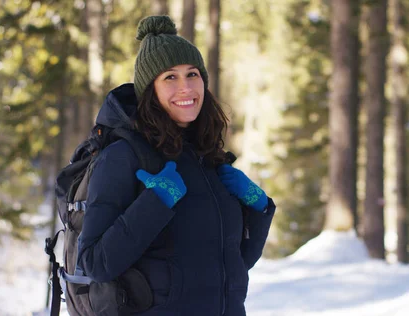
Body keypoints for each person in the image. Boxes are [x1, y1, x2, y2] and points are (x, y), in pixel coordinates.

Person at [76, 15, 276, 315]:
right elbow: (95, 263)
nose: (185, 88)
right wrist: (155, 202)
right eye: (170, 77)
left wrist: (260, 210)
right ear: (150, 90)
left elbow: (230, 265)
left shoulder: (209, 156)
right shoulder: (124, 156)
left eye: (192, 74)